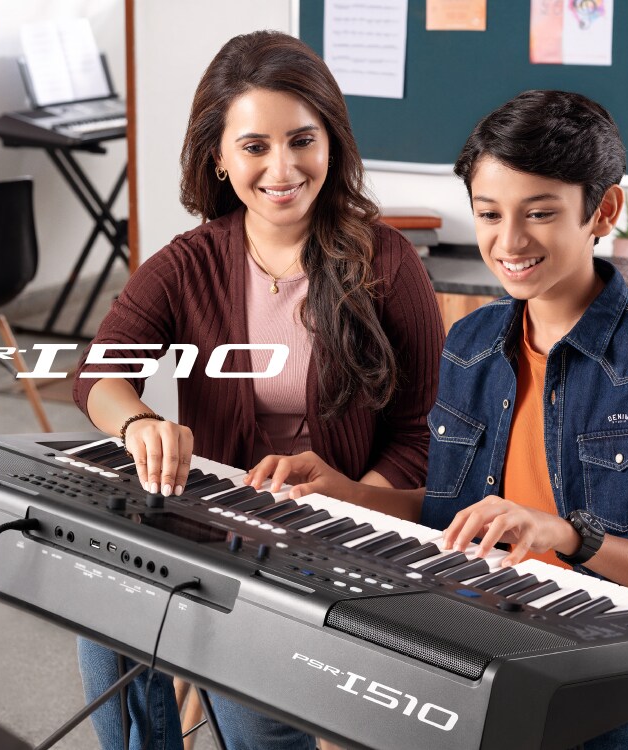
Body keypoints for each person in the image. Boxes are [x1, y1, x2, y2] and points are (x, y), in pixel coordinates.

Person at [72, 30, 444, 750]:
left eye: (302, 140)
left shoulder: (388, 263)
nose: (283, 168)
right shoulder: (190, 262)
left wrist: (346, 505)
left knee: (249, 708)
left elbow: (421, 436)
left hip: (344, 534)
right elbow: (99, 371)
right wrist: (139, 423)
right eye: (254, 147)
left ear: (331, 143)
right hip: (219, 529)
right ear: (219, 156)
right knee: (105, 616)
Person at [248, 90, 628, 748]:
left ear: (602, 211)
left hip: (607, 664)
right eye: (489, 213)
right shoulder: (471, 342)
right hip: (478, 628)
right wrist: (349, 494)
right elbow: (449, 516)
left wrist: (566, 536)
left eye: (540, 213)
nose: (509, 241)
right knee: (292, 677)